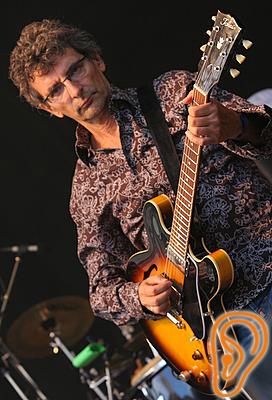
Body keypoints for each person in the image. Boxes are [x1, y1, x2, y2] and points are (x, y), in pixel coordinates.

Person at [9, 19, 272, 399]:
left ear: (97, 60)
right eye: (56, 90)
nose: (74, 89)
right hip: (215, 334)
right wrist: (141, 297)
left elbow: (267, 135)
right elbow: (101, 289)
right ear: (50, 109)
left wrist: (236, 125)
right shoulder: (85, 191)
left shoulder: (176, 93)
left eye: (75, 70)